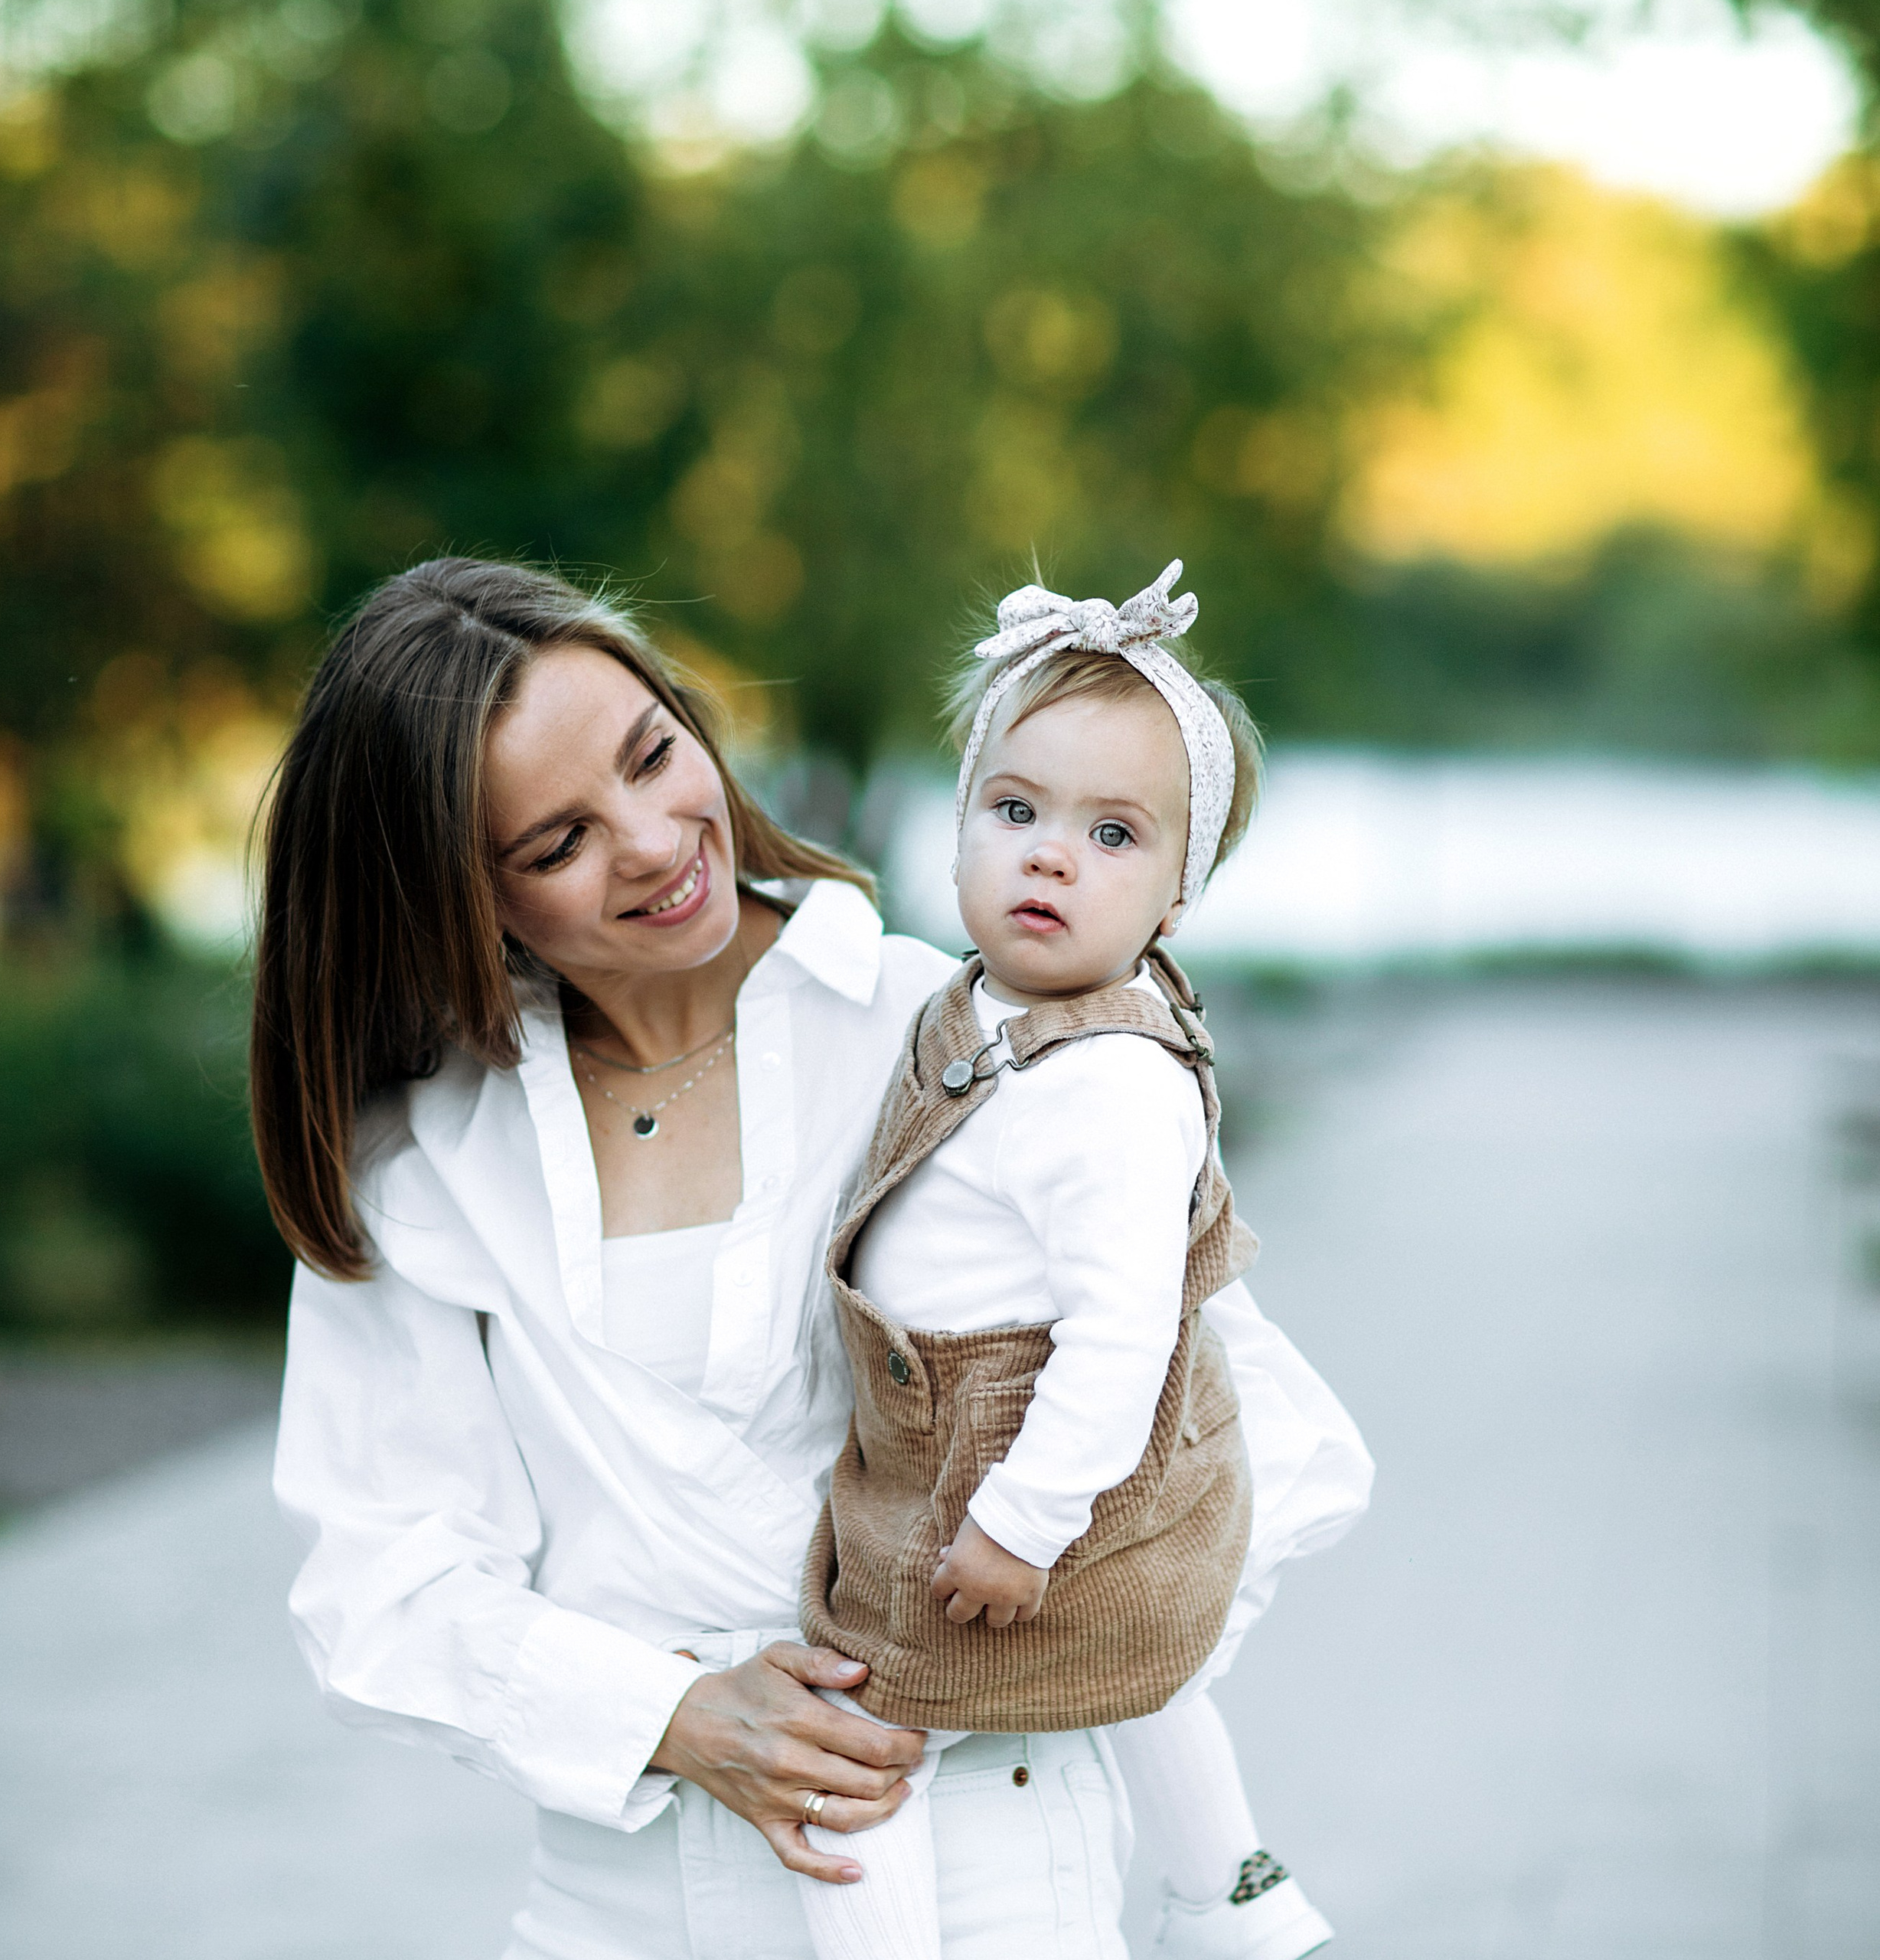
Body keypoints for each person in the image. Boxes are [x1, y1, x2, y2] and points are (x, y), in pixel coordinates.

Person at [256, 557, 1370, 1960]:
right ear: (453, 899)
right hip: (620, 1908)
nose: (658, 841)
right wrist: (676, 1714)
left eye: (657, 754)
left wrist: (984, 1658)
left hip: (997, 1877)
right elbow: (383, 1581)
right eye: (558, 844)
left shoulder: (964, 1036)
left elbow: (1245, 1441)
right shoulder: (420, 1158)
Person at [785, 563, 1358, 1960]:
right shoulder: (972, 1000)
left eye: (1114, 835)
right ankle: (1237, 1903)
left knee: (849, 1741)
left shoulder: (1109, 1079)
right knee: (1134, 1669)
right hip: (989, 1438)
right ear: (965, 817)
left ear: (1178, 896)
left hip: (1014, 1464)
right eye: (1017, 810)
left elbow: (1126, 1333)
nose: (1050, 856)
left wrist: (1019, 1524)